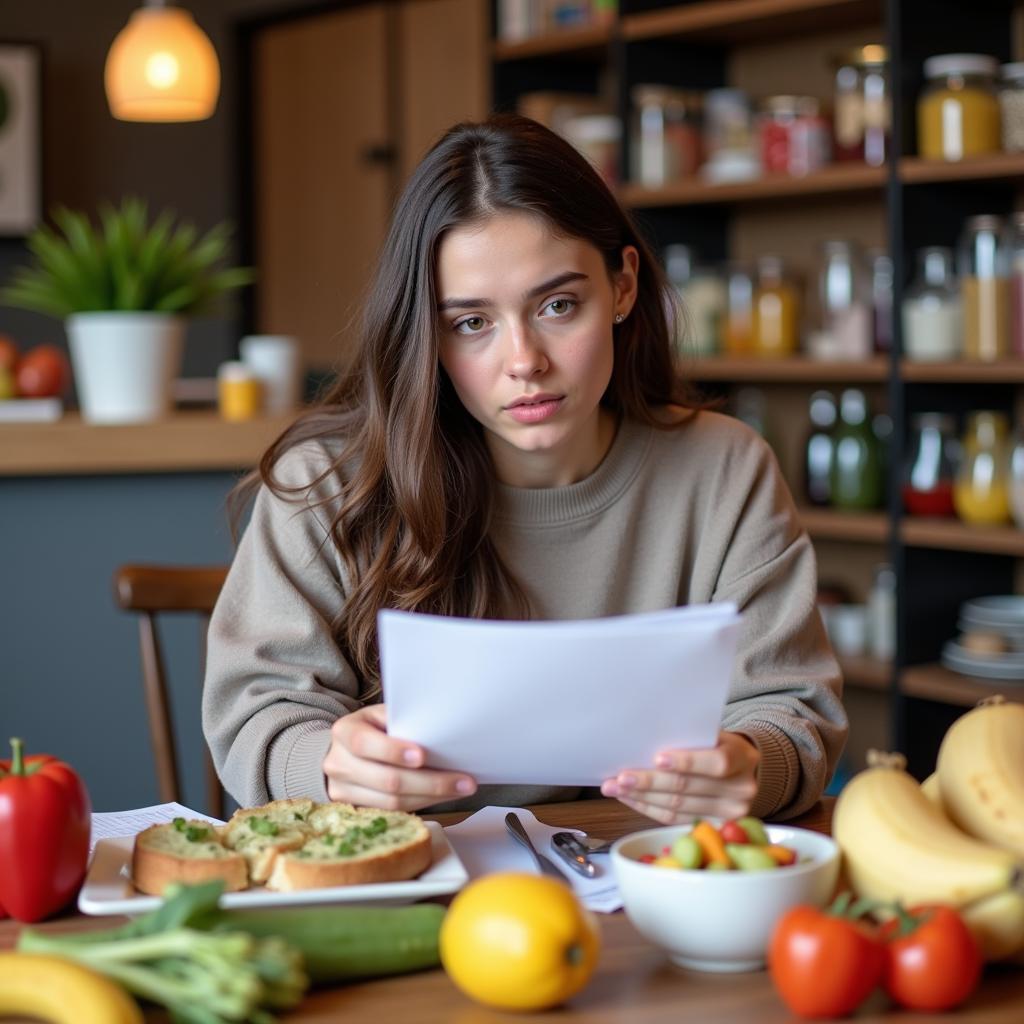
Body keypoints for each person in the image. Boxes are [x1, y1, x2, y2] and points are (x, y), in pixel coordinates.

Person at [203, 114, 846, 825]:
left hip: (643, 871)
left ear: (624, 288)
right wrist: (327, 764)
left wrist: (750, 767)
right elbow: (256, 712)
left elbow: (793, 712)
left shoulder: (725, 469)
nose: (524, 361)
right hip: (407, 876)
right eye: (471, 323)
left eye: (558, 305)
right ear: (428, 333)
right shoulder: (329, 484)